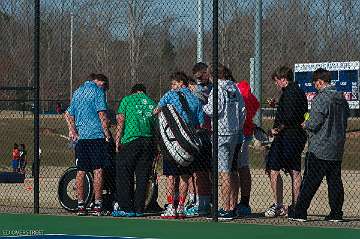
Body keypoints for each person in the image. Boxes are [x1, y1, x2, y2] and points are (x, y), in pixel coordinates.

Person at [290, 68, 350, 222]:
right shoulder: (341, 98)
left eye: (316, 83)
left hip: (319, 147)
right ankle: (336, 213)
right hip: (336, 147)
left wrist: (306, 124)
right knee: (335, 181)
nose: (315, 86)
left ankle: (300, 212)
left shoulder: (321, 98)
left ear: (321, 82)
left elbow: (314, 123)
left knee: (310, 181)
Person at [157, 71, 204, 219]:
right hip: (187, 144)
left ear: (180, 83)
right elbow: (200, 123)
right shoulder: (196, 100)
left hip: (172, 143)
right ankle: (181, 207)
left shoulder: (170, 95)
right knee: (184, 176)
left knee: (171, 176)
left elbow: (156, 110)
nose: (172, 86)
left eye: (174, 84)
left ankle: (171, 206)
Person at [64, 73, 111, 216]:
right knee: (98, 169)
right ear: (97, 81)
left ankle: (80, 206)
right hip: (96, 136)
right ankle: (97, 206)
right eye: (103, 85)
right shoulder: (98, 92)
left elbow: (68, 114)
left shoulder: (77, 92)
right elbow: (102, 115)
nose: (103, 88)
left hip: (81, 138)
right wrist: (107, 134)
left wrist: (73, 130)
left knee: (81, 171)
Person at [203, 64, 246, 220]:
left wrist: (204, 107)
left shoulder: (217, 90)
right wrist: (238, 127)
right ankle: (233, 206)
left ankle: (226, 208)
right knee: (232, 169)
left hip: (221, 134)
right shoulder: (234, 88)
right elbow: (242, 110)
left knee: (224, 172)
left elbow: (215, 109)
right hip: (234, 132)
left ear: (212, 75)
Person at [264, 66, 308, 218]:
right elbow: (299, 112)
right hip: (297, 136)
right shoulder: (298, 91)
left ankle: (279, 205)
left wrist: (277, 130)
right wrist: (277, 105)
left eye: (277, 81)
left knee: (272, 168)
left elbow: (289, 117)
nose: (276, 84)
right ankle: (297, 206)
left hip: (286, 137)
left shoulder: (290, 93)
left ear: (283, 79)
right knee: (294, 170)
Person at [111, 84, 157, 217]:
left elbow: (120, 121)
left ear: (133, 92)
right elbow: (155, 126)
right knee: (143, 176)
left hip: (131, 139)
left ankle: (126, 207)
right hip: (148, 141)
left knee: (124, 173)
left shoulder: (127, 99)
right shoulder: (151, 102)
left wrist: (117, 140)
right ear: (143, 91)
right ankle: (139, 208)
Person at [183, 64, 212, 217]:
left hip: (205, 134)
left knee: (201, 172)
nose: (199, 81)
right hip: (198, 133)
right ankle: (199, 201)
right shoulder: (198, 91)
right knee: (197, 171)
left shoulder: (208, 89)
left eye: (201, 77)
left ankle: (203, 204)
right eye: (196, 79)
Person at [231, 80, 260, 217]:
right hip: (243, 131)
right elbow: (256, 104)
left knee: (238, 168)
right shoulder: (243, 89)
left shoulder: (238, 89)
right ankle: (241, 202)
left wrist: (246, 122)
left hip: (239, 133)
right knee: (240, 168)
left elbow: (252, 105)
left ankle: (238, 203)